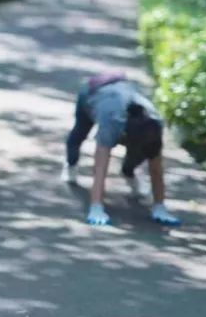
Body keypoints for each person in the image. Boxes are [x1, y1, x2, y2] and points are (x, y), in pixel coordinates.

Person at [61, 72, 182, 227]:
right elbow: (100, 169)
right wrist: (96, 207)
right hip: (93, 93)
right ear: (123, 136)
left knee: (138, 157)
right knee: (78, 136)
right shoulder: (111, 122)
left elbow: (156, 169)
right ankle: (70, 164)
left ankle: (128, 172)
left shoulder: (154, 126)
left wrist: (160, 207)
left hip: (122, 98)